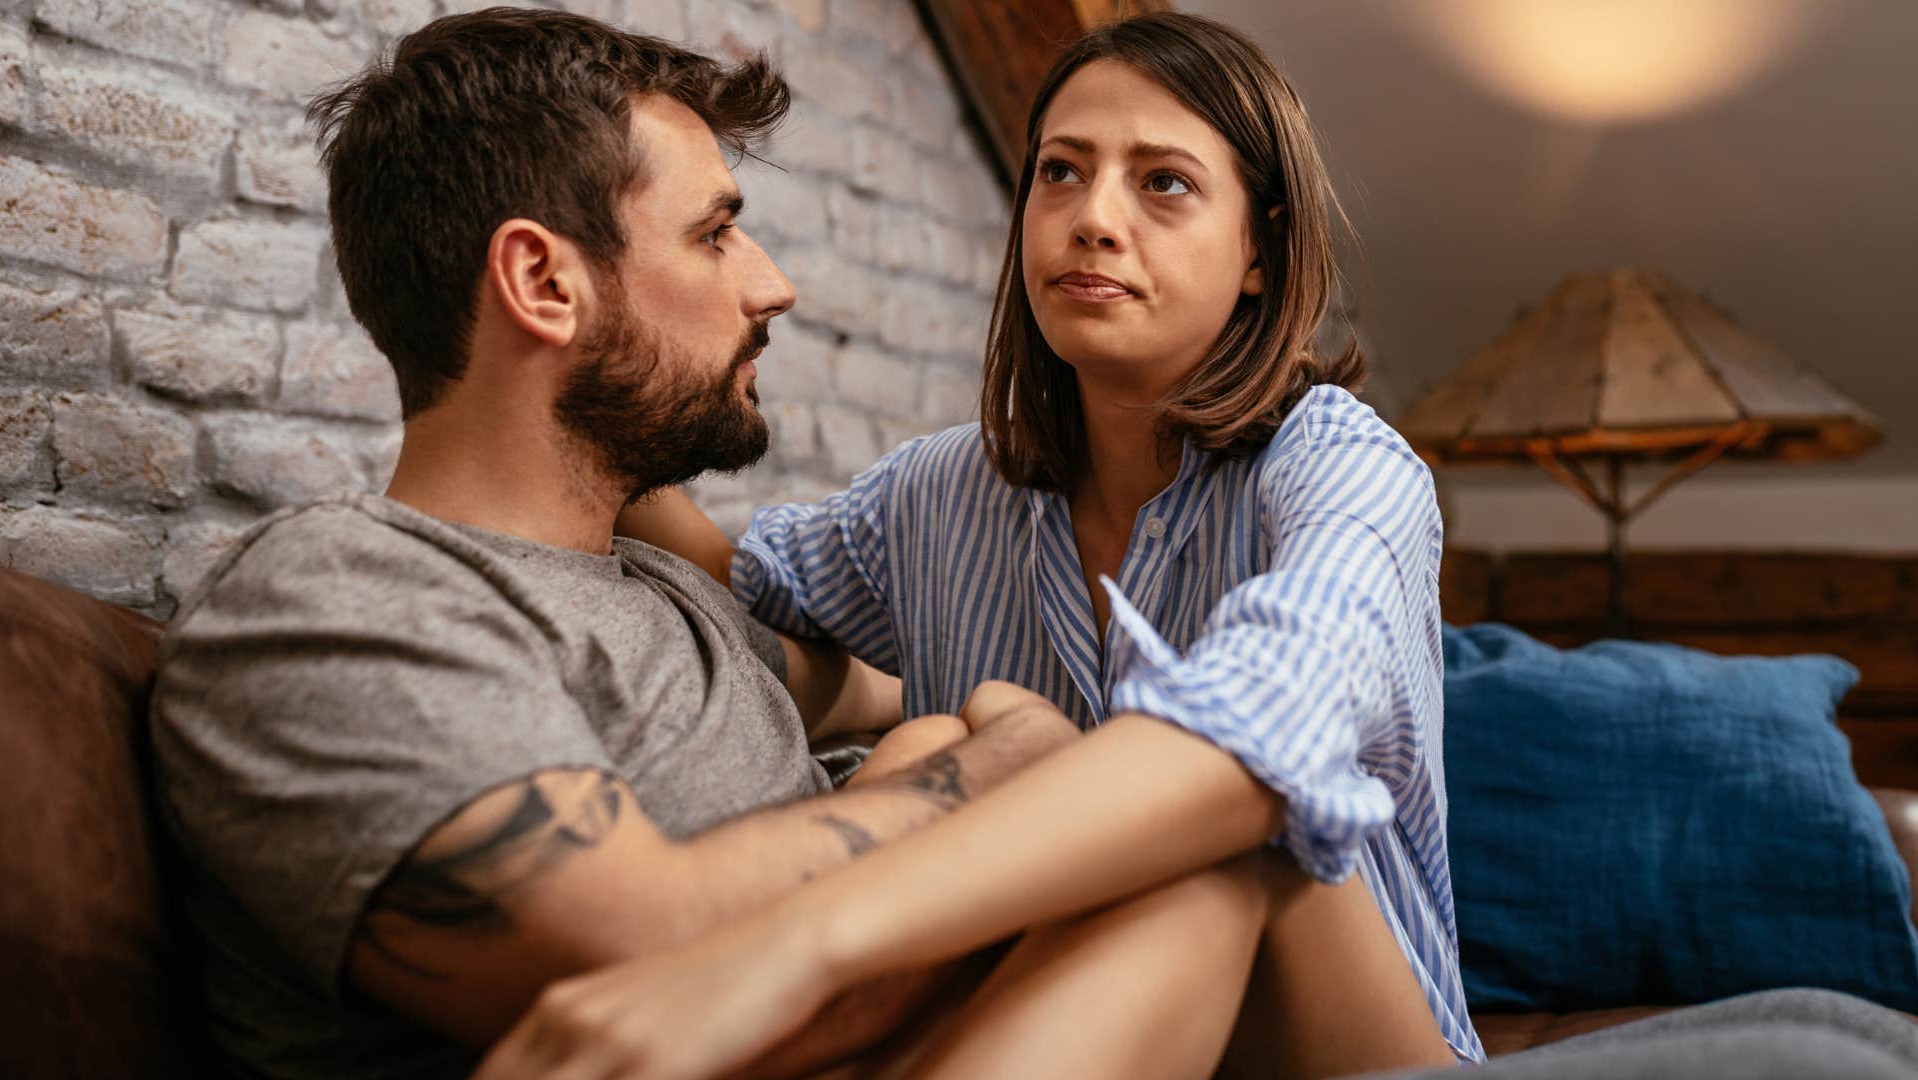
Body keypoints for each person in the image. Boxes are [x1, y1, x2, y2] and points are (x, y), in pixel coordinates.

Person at [475, 9, 1918, 1080]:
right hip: (1064, 1033)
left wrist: (787, 943)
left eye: (1162, 184)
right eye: (1057, 173)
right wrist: (602, 386)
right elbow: (741, 585)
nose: (1091, 219)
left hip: (1350, 1042)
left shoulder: (1347, 472)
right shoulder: (935, 497)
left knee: (1229, 834)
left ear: (1256, 257)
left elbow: (1253, 738)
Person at [147, 10, 1263, 1078]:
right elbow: (630, 958)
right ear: (545, 283)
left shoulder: (673, 599)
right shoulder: (339, 596)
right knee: (1193, 877)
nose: (772, 285)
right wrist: (986, 764)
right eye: (715, 233)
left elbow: (925, 686)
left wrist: (954, 733)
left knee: (1215, 859)